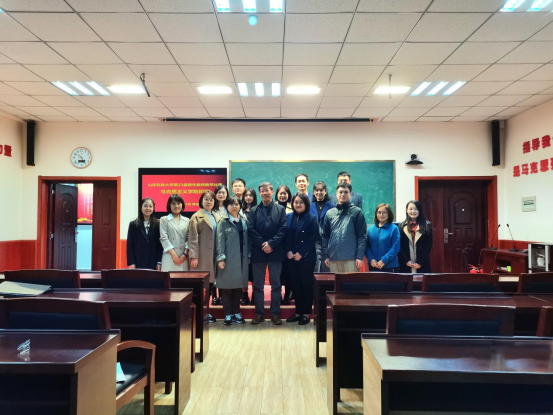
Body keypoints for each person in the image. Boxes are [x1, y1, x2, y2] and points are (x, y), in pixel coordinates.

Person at [248, 182, 287, 325]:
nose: (264, 193)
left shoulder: (280, 209)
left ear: (272, 191)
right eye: (262, 191)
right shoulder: (253, 210)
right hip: (258, 252)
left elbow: (283, 229)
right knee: (258, 285)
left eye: (267, 190)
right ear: (259, 193)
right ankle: (259, 313)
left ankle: (275, 314)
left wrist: (271, 243)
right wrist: (263, 244)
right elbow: (251, 230)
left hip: (275, 252)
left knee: (276, 285)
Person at [284, 193, 319, 325]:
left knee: (306, 286)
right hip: (291, 257)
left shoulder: (312, 218)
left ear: (306, 204)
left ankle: (306, 314)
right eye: (296, 202)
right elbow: (284, 236)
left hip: (306, 258)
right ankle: (298, 312)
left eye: (301, 202)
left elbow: (313, 237)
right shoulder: (288, 217)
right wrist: (288, 251)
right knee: (296, 286)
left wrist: (301, 253)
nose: (298, 205)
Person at [216, 197, 249, 326]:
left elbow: (248, 240)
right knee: (226, 288)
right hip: (228, 258)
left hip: (242, 259)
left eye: (236, 204)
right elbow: (219, 241)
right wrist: (221, 258)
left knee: (237, 288)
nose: (234, 206)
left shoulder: (244, 220)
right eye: (231, 204)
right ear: (226, 206)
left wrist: (249, 255)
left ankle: (237, 312)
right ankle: (228, 314)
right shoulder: (223, 222)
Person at [189, 191, 220, 323]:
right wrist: (194, 256)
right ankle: (199, 313)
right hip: (202, 257)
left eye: (211, 200)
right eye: (206, 199)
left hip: (214, 256)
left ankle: (205, 312)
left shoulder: (216, 216)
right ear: (201, 201)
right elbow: (192, 238)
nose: (209, 202)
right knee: (201, 287)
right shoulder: (196, 217)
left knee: (210, 285)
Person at [322, 183, 367, 273]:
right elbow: (325, 237)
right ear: (336, 194)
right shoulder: (330, 213)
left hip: (351, 259)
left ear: (350, 194)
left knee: (351, 282)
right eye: (340, 192)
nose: (343, 194)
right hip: (333, 258)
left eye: (346, 192)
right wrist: (325, 256)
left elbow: (362, 236)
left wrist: (359, 256)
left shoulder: (357, 212)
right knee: (336, 282)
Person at [127, 197, 163, 270]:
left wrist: (159, 262)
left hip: (153, 261)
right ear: (141, 207)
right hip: (138, 261)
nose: (148, 208)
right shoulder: (133, 224)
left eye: (150, 206)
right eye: (145, 206)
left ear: (153, 208)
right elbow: (130, 245)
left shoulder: (158, 224)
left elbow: (160, 244)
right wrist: (131, 262)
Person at [398, 200, 433, 273]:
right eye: (410, 209)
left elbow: (428, 246)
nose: (413, 211)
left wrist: (420, 262)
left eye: (416, 209)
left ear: (420, 210)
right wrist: (406, 261)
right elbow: (399, 246)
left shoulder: (427, 226)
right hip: (406, 264)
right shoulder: (401, 226)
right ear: (407, 210)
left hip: (422, 264)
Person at [366, 203, 400, 273]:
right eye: (379, 212)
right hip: (373, 266)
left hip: (390, 267)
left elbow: (395, 248)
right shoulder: (370, 229)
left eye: (384, 212)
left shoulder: (394, 228)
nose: (381, 215)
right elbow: (367, 247)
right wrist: (371, 259)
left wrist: (384, 260)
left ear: (389, 214)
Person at [160, 194, 190, 272]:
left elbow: (189, 238)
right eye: (173, 203)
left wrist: (185, 255)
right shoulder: (164, 219)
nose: (176, 206)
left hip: (183, 256)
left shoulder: (187, 220)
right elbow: (163, 238)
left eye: (178, 203)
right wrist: (174, 255)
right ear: (169, 205)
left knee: (183, 279)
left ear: (182, 205)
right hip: (169, 255)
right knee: (168, 278)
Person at [309, 181, 335, 272]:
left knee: (326, 264)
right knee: (315, 264)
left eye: (321, 190)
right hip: (314, 239)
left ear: (325, 191)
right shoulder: (309, 206)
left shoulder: (332, 206)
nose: (319, 192)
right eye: (316, 190)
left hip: (327, 239)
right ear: (313, 192)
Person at [275, 184, 293, 304]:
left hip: (289, 244)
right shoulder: (272, 207)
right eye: (280, 193)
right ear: (277, 194)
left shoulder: (293, 207)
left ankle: (287, 295)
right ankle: (278, 296)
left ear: (288, 195)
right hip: (277, 245)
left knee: (288, 271)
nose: (282, 195)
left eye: (285, 193)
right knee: (277, 272)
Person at [240, 187, 257, 305]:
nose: (248, 197)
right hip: (242, 247)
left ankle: (255, 295)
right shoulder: (239, 211)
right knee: (243, 274)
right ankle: (244, 295)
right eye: (246, 195)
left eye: (250, 195)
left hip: (255, 247)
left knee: (255, 274)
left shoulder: (258, 210)